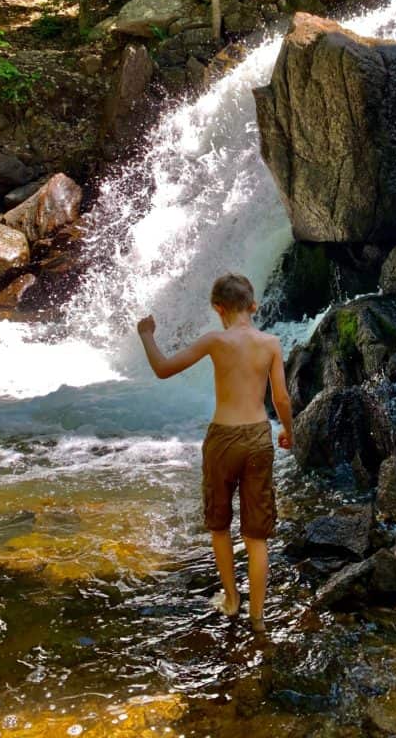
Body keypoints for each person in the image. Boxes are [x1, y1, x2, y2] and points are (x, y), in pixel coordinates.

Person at [137, 272, 293, 634]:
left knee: (219, 526)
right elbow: (281, 398)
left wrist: (146, 334)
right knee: (256, 536)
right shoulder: (270, 343)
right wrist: (289, 430)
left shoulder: (214, 341)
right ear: (254, 306)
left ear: (218, 308)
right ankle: (258, 616)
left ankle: (231, 599)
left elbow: (162, 369)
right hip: (257, 436)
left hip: (223, 438)